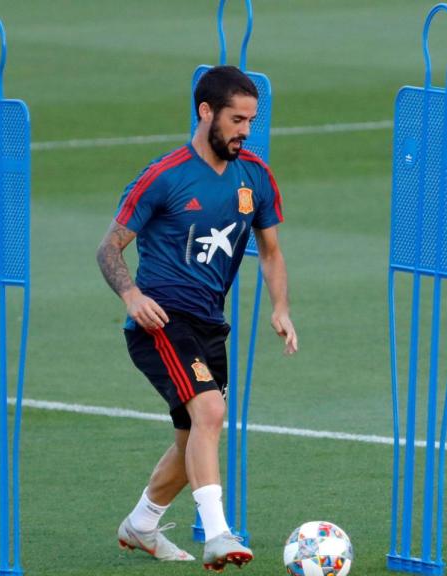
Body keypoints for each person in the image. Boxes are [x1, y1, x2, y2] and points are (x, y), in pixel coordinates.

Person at [96, 65, 297, 571]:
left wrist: (280, 307)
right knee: (210, 413)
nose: (245, 130)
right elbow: (109, 249)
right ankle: (218, 534)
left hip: (211, 325)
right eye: (236, 119)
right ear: (205, 112)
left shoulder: (255, 175)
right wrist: (131, 296)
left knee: (192, 440)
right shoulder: (164, 176)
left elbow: (270, 251)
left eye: (251, 120)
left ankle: (141, 524)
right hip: (161, 321)